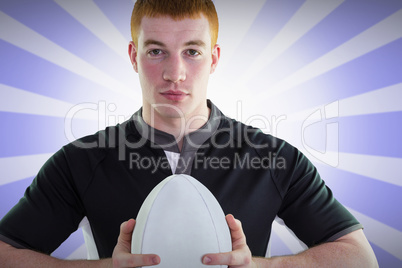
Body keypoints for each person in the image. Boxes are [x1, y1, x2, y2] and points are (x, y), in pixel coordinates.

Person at [0, 0, 378, 267]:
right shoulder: (81, 160)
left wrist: (260, 267)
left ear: (214, 57)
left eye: (192, 51)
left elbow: (357, 257)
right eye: (156, 51)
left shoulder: (275, 156)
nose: (175, 73)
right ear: (134, 56)